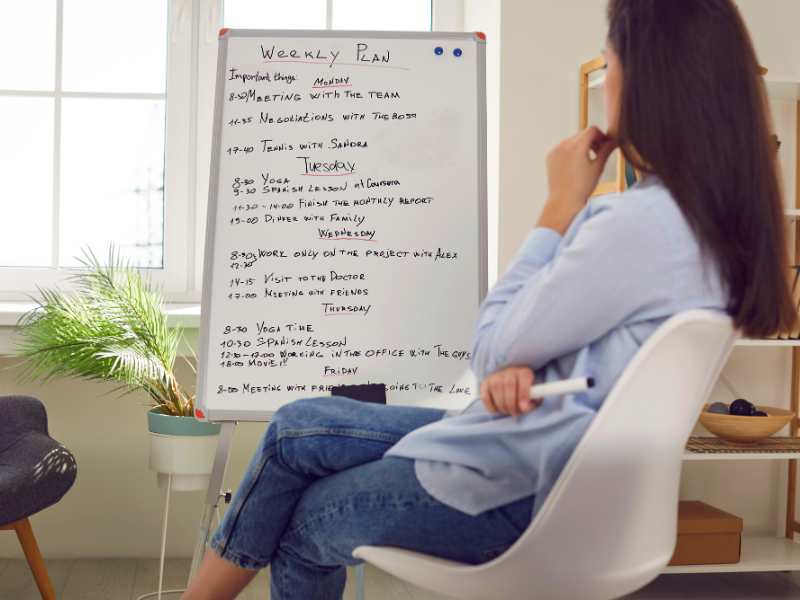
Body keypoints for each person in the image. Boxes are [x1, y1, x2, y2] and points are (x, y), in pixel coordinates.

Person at [183, 1, 795, 598]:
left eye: (611, 67)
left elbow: (490, 347)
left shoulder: (636, 224)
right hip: (548, 466)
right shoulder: (716, 229)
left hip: (514, 492)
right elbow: (582, 358)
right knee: (294, 429)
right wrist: (528, 365)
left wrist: (559, 208)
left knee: (300, 518)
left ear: (648, 81)